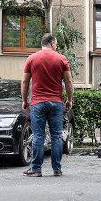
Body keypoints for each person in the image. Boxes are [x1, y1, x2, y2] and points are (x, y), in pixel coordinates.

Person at [22, 33, 73, 177]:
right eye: (56, 44)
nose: (56, 47)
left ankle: (36, 169)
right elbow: (68, 81)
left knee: (38, 135)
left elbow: (25, 81)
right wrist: (69, 99)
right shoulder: (61, 58)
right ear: (52, 43)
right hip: (56, 103)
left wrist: (25, 100)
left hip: (38, 103)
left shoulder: (31, 58)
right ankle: (57, 169)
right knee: (57, 135)